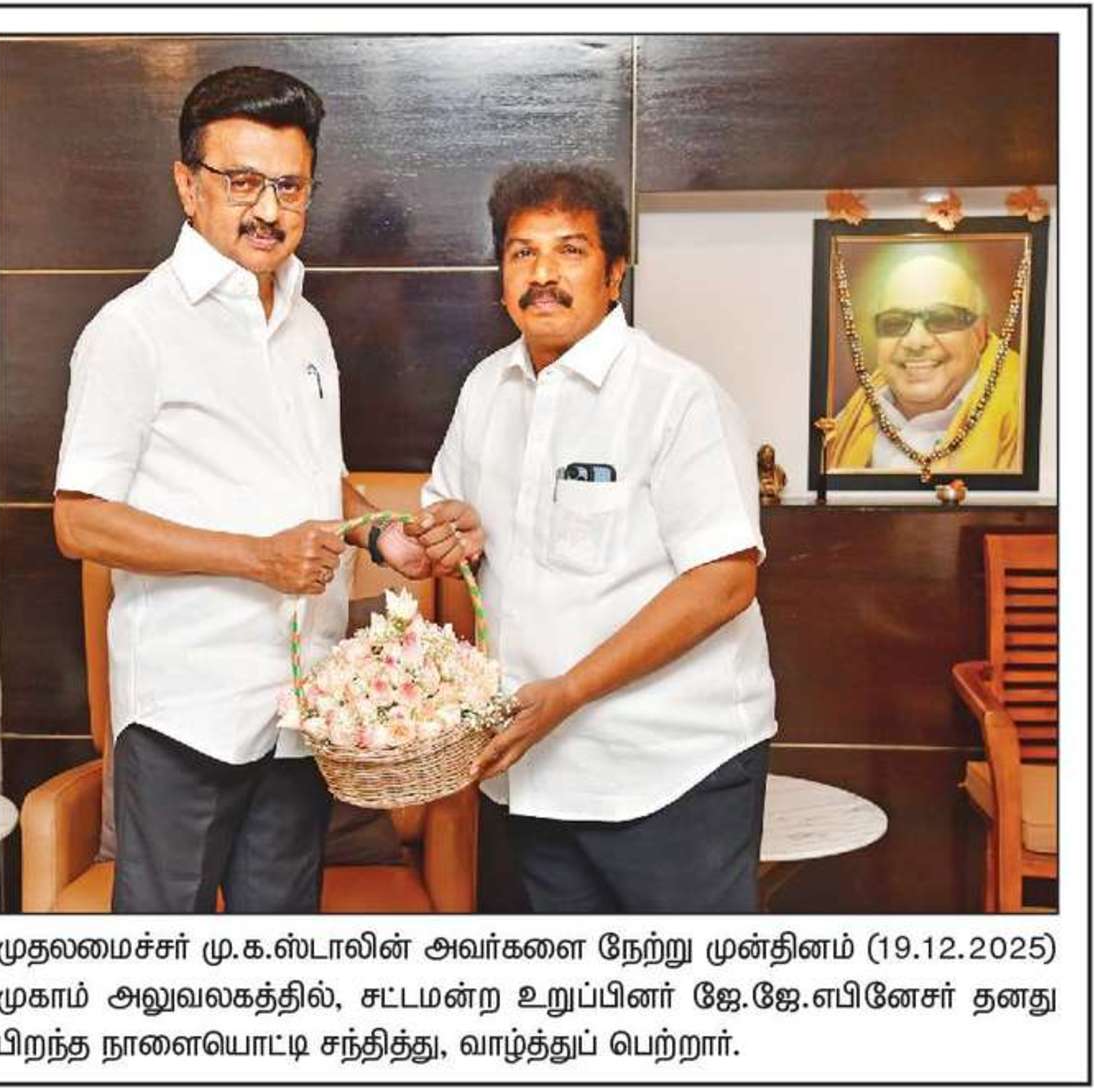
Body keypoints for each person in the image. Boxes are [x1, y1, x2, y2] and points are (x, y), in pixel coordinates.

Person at [52, 66, 429, 913]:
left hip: (301, 709)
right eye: (242, 182)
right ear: (188, 187)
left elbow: (315, 480)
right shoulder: (132, 330)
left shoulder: (307, 322)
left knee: (277, 956)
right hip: (186, 714)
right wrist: (256, 558)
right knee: (163, 969)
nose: (268, 209)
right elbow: (79, 523)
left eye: (289, 187)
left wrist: (379, 535)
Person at [411, 164, 776, 913]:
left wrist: (570, 692)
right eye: (522, 253)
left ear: (615, 275)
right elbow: (446, 521)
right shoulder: (486, 388)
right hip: (533, 768)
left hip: (671, 768)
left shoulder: (677, 397)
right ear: (501, 279)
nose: (543, 274)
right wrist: (455, 533)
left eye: (570, 251)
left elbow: (725, 581)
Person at [827, 253, 1023, 471]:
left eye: (942, 319)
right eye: (895, 322)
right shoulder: (849, 420)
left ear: (979, 334)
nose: (915, 342)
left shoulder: (1027, 415)